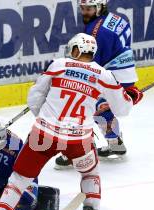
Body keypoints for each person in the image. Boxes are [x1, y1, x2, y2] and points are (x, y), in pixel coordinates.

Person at [0, 33, 142, 210]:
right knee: (90, 174)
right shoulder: (104, 75)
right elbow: (123, 108)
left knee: (18, 180)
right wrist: (133, 95)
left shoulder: (58, 65)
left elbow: (34, 98)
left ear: (74, 50)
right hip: (78, 140)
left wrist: (47, 119)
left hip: (43, 135)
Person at [55, 0, 143, 168]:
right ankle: (114, 144)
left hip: (112, 74)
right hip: (123, 72)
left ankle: (78, 150)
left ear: (100, 7)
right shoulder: (117, 18)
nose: (84, 12)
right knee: (99, 107)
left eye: (88, 9)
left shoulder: (96, 33)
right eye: (83, 8)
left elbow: (88, 65)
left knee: (80, 103)